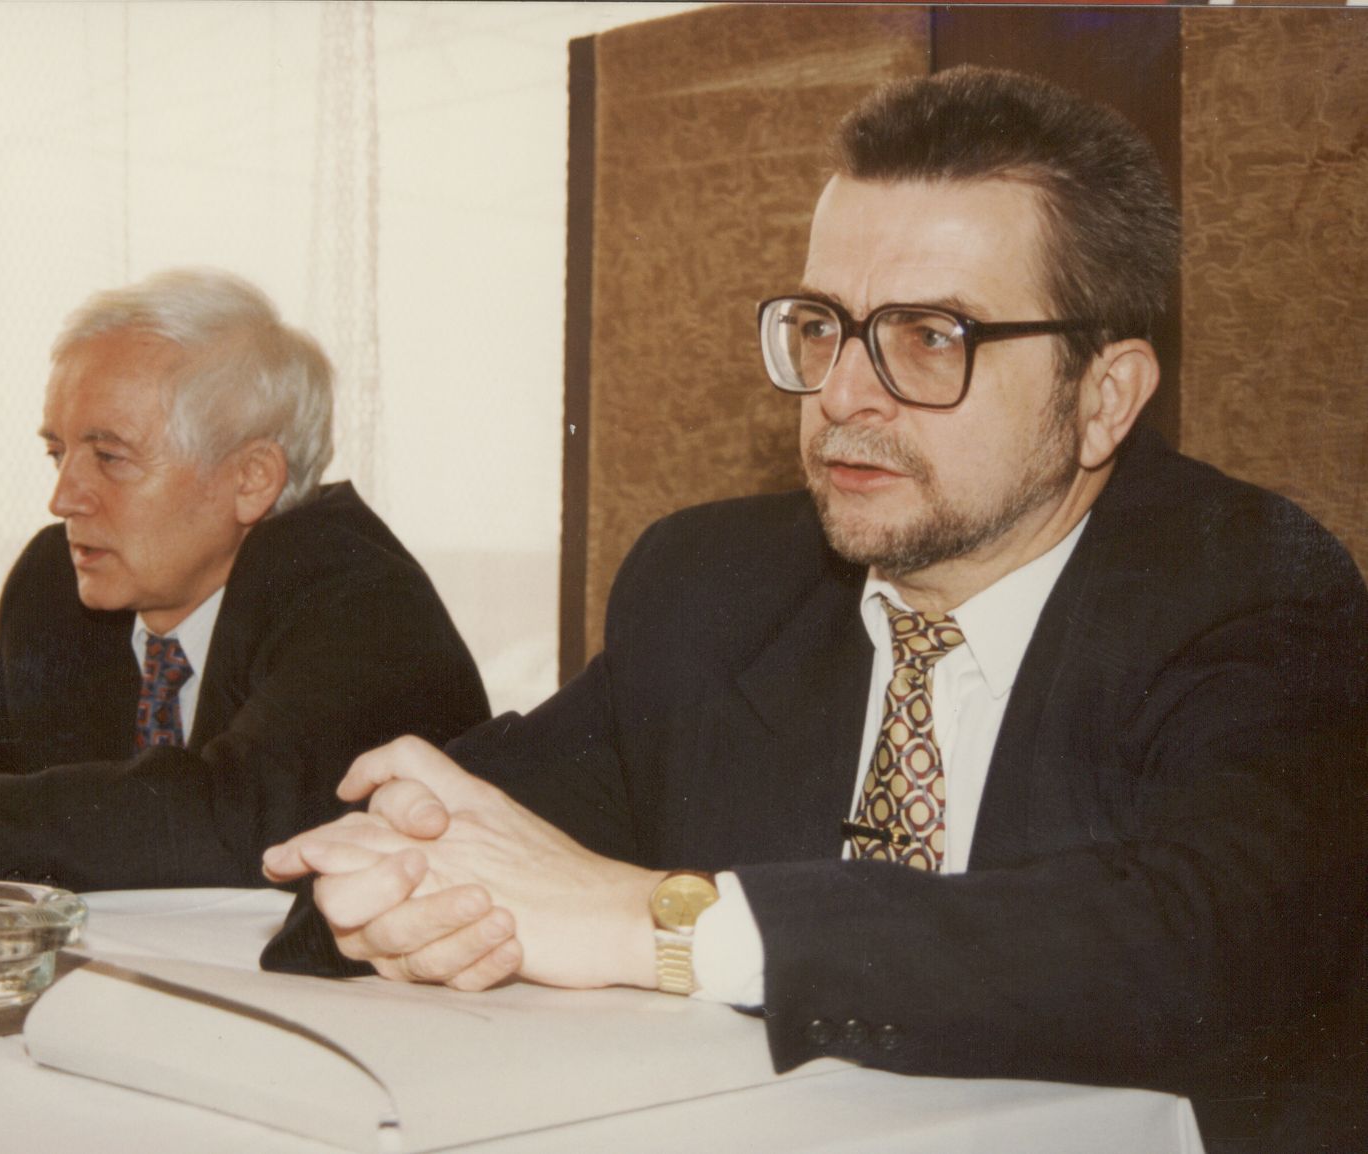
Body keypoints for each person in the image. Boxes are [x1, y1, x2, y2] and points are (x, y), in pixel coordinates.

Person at [259, 69, 1368, 1152]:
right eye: (823, 325)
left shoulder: (1254, 591)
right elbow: (445, 845)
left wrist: (664, 924)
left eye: (930, 337)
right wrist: (399, 904)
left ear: (1102, 397)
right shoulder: (713, 585)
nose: (840, 393)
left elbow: (1198, 939)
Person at [0, 268, 489, 892]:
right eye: (58, 452)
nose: (64, 497)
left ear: (251, 480)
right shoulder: (61, 586)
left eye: (110, 457)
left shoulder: (360, 601)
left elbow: (224, 816)